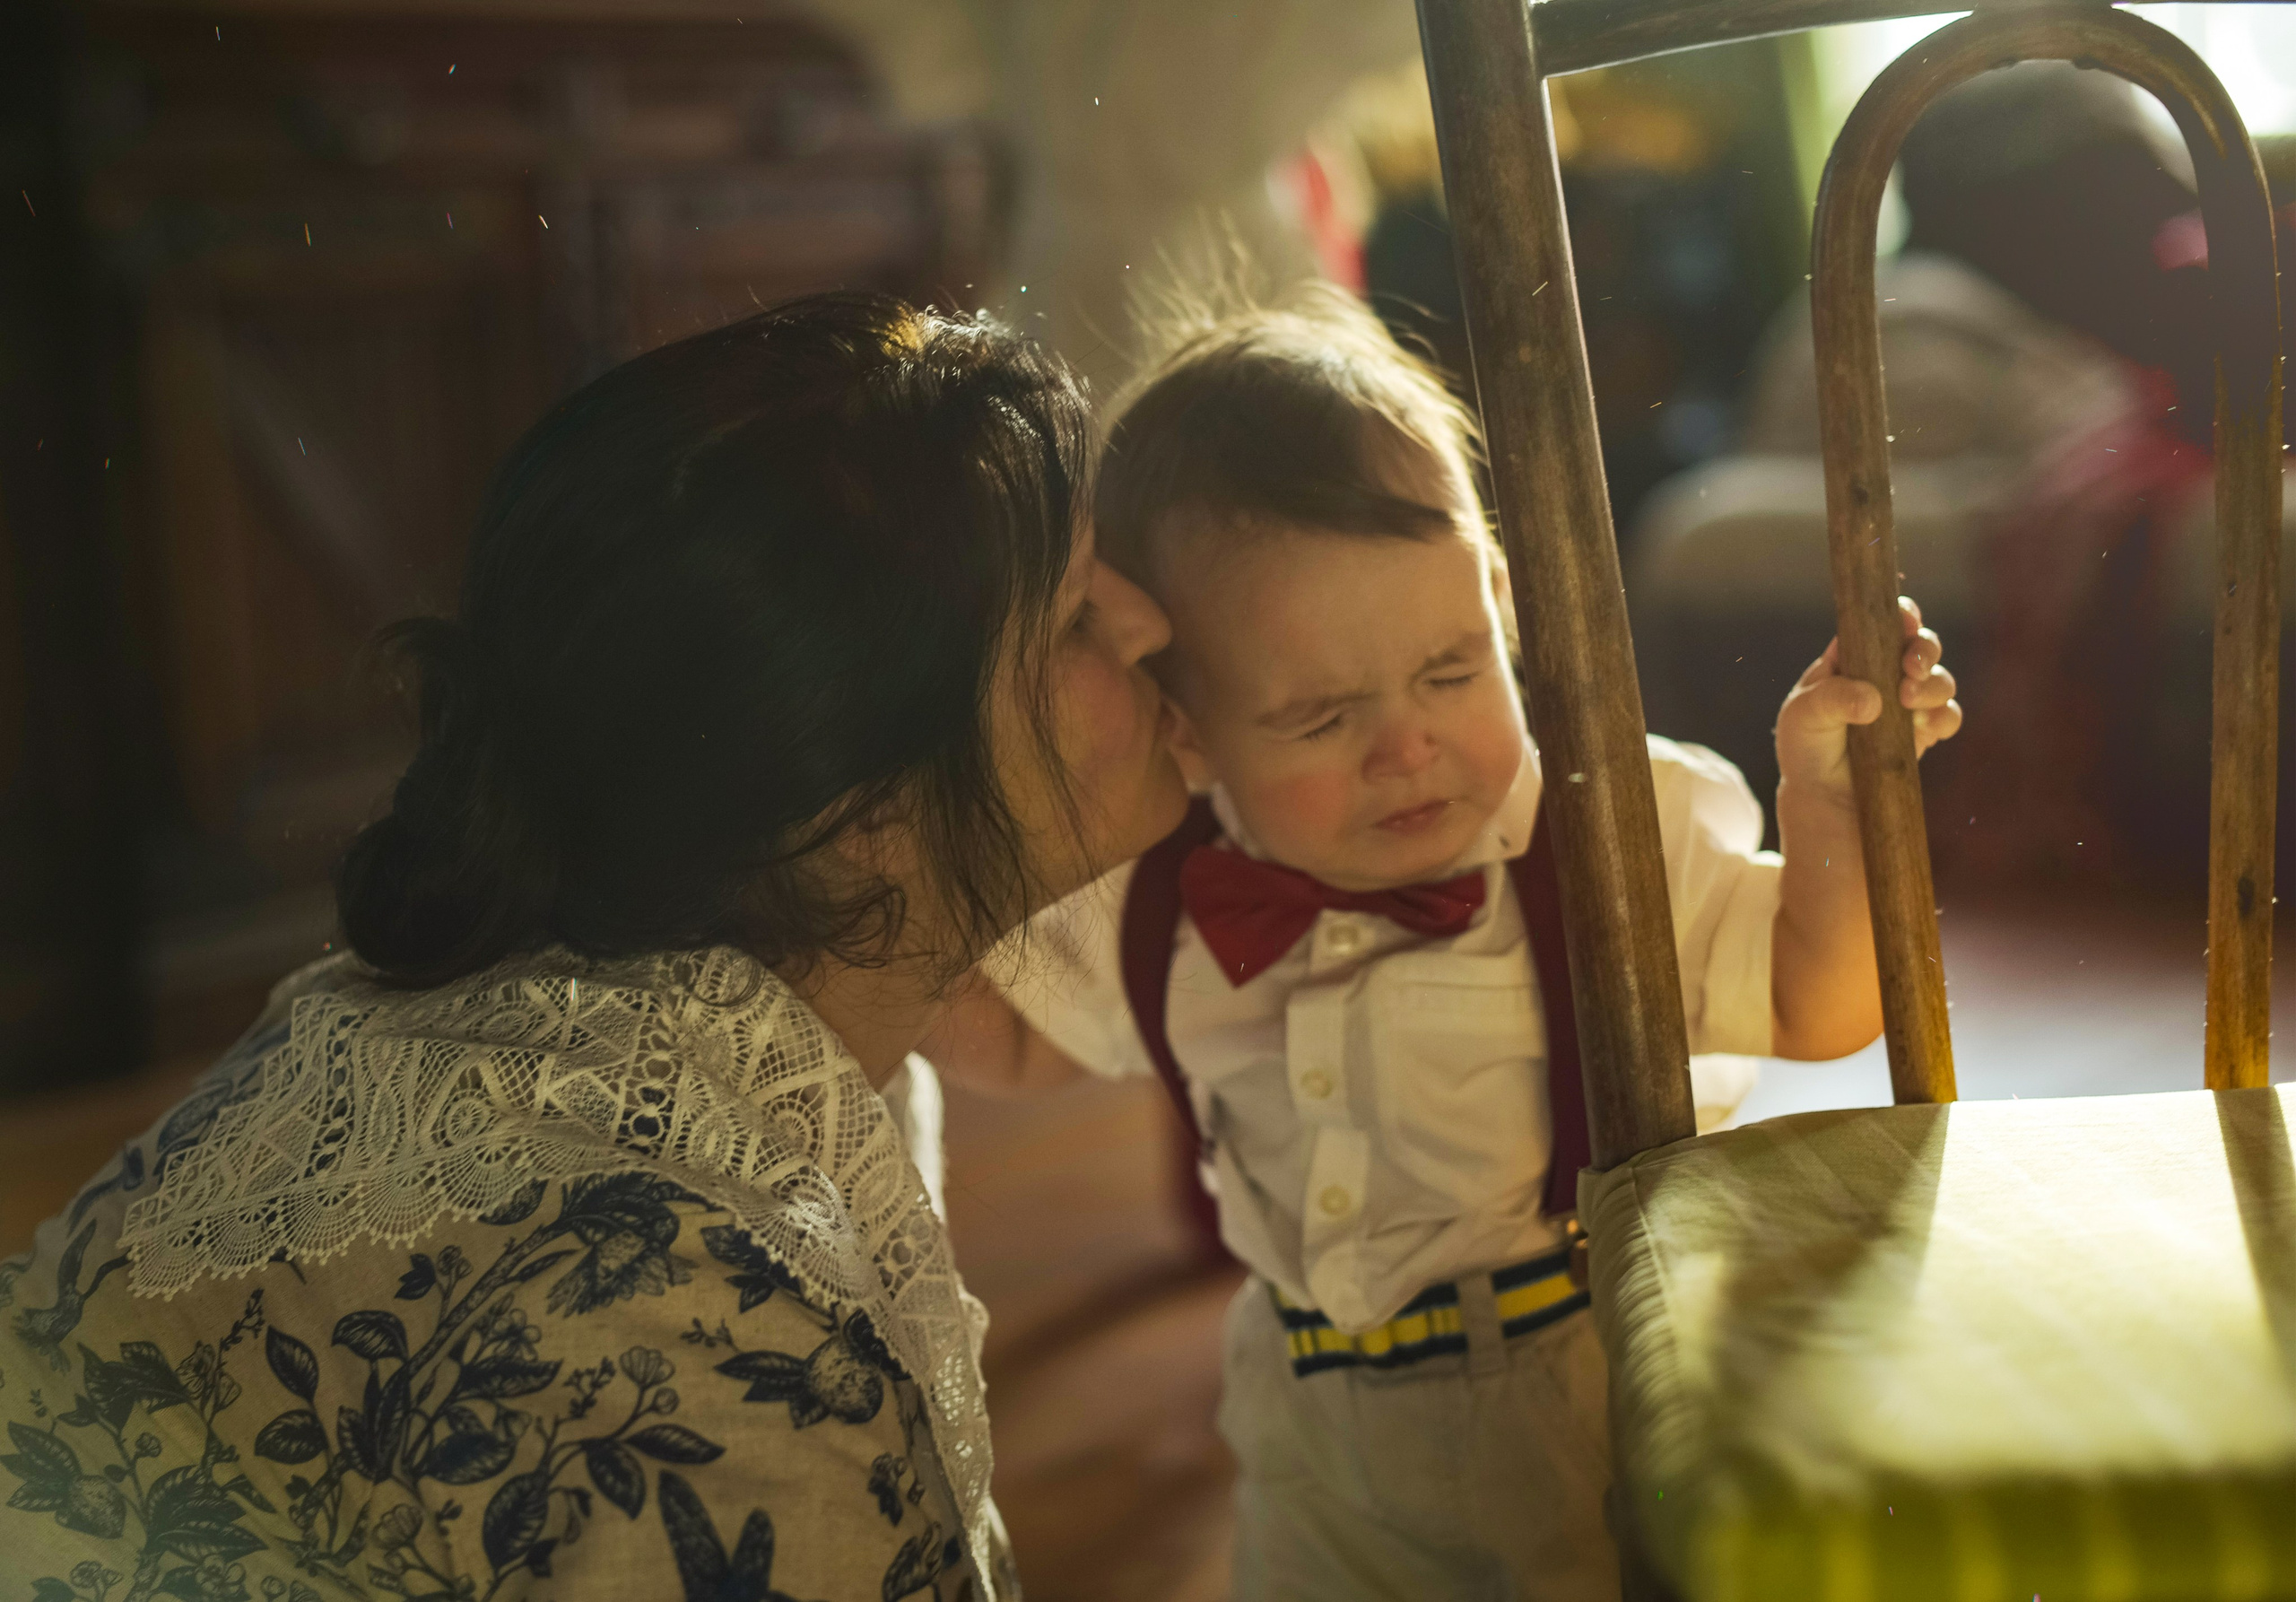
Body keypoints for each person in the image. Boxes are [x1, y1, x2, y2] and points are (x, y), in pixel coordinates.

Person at [0, 292, 1187, 1601]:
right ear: (869, 823)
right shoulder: (734, 1378)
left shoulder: (658, 1035)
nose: (1149, 621)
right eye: (1074, 622)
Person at [925, 291, 1961, 1599]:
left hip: (1584, 1393)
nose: (1406, 745)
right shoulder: (1160, 896)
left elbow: (1823, 1001)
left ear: (1503, 608)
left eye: (1452, 671)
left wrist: (1827, 800)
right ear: (1185, 728)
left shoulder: (1605, 836)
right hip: (1310, 1434)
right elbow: (1015, 1035)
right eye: (1320, 718)